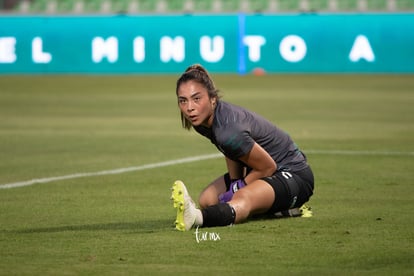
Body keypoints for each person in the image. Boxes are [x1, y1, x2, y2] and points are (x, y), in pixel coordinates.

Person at [171, 64, 314, 231]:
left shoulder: (228, 129)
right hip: (264, 169)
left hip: (294, 175)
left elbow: (268, 166)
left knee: (241, 197)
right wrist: (234, 182)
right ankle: (277, 209)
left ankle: (196, 218)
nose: (189, 108)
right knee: (207, 200)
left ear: (212, 99)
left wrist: (238, 189)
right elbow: (230, 150)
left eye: (196, 99)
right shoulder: (201, 121)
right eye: (183, 100)